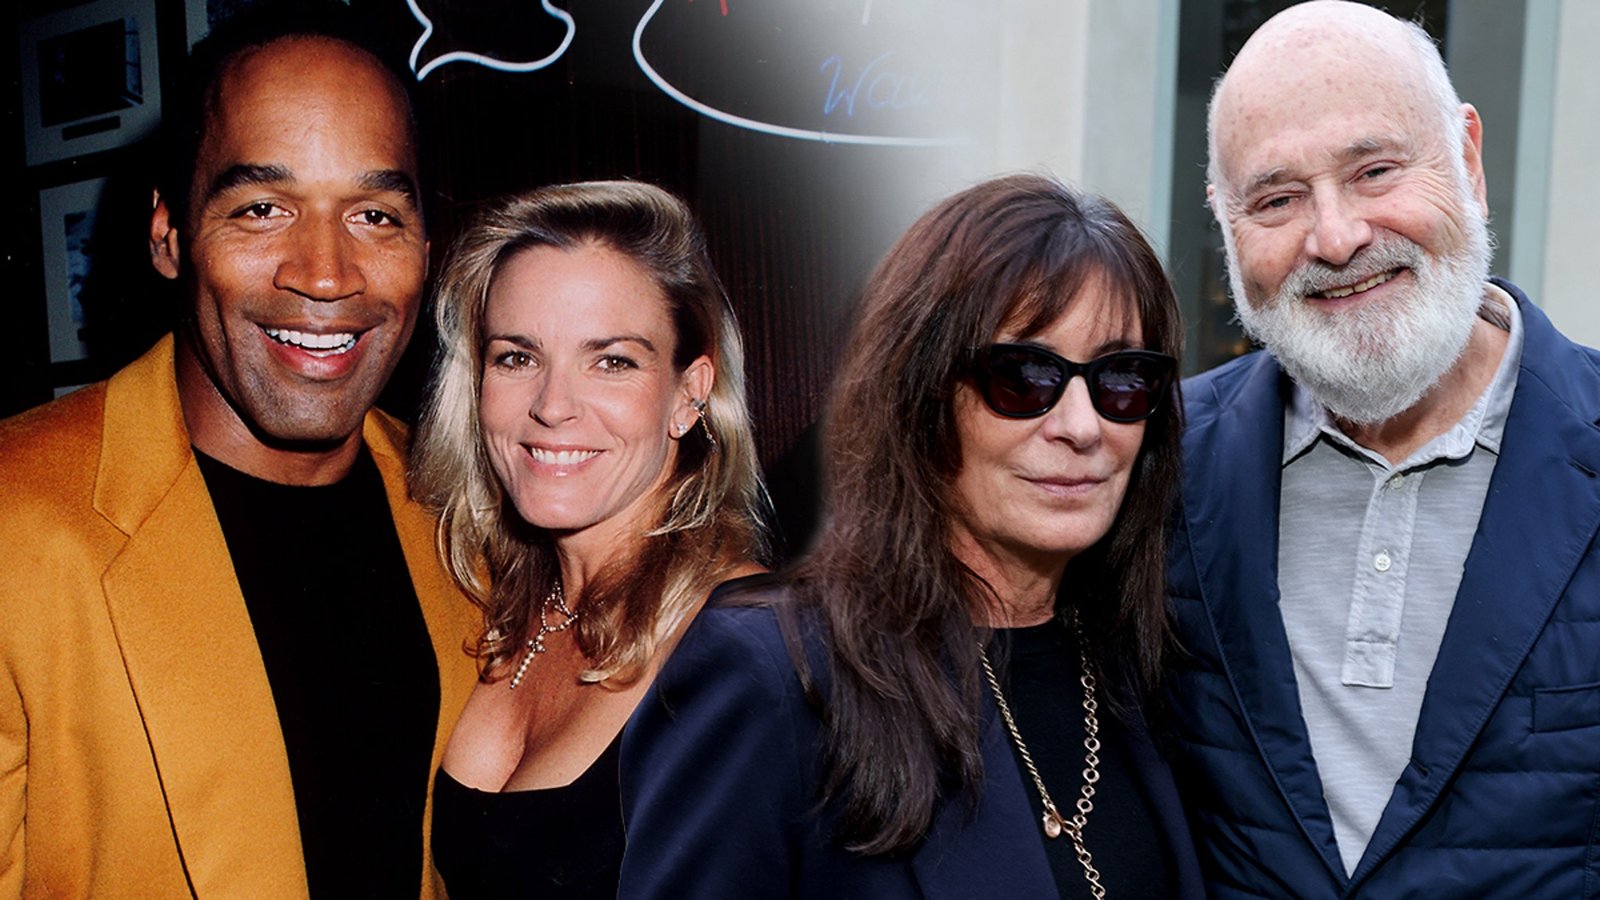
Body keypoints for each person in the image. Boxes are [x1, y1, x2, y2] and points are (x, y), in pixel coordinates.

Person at [0, 1, 481, 895]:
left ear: (425, 246)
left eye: (375, 215)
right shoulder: (14, 520)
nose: (326, 274)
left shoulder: (467, 512)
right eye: (262, 208)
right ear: (169, 236)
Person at [619, 173, 1204, 898]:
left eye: (1122, 379)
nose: (1082, 427)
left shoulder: (1152, 671)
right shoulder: (771, 678)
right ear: (921, 396)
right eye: (1024, 376)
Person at [1164, 2, 1600, 896]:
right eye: (1277, 199)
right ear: (1225, 224)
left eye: (1374, 171)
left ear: (1468, 160)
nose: (1335, 238)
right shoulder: (1156, 466)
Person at [410, 180, 770, 899]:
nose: (552, 406)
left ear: (689, 394)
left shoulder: (759, 651)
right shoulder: (497, 606)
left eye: (612, 361)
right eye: (517, 357)